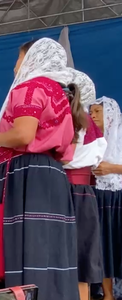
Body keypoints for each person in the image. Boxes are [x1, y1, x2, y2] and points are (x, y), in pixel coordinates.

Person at [0, 38, 79, 300]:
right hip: (52, 176)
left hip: (25, 174)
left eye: (18, 59)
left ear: (31, 59)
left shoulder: (28, 87)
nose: (14, 67)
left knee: (22, 248)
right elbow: (66, 151)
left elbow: (23, 135)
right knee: (49, 251)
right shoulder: (61, 93)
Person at [63, 68, 106, 300]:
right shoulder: (88, 122)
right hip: (83, 192)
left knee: (62, 253)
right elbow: (97, 155)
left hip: (58, 190)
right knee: (82, 254)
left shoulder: (60, 117)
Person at [88, 96, 122, 300]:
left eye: (97, 112)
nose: (92, 115)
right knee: (103, 245)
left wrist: (112, 168)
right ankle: (107, 294)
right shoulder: (91, 139)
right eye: (90, 112)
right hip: (99, 197)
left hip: (119, 195)